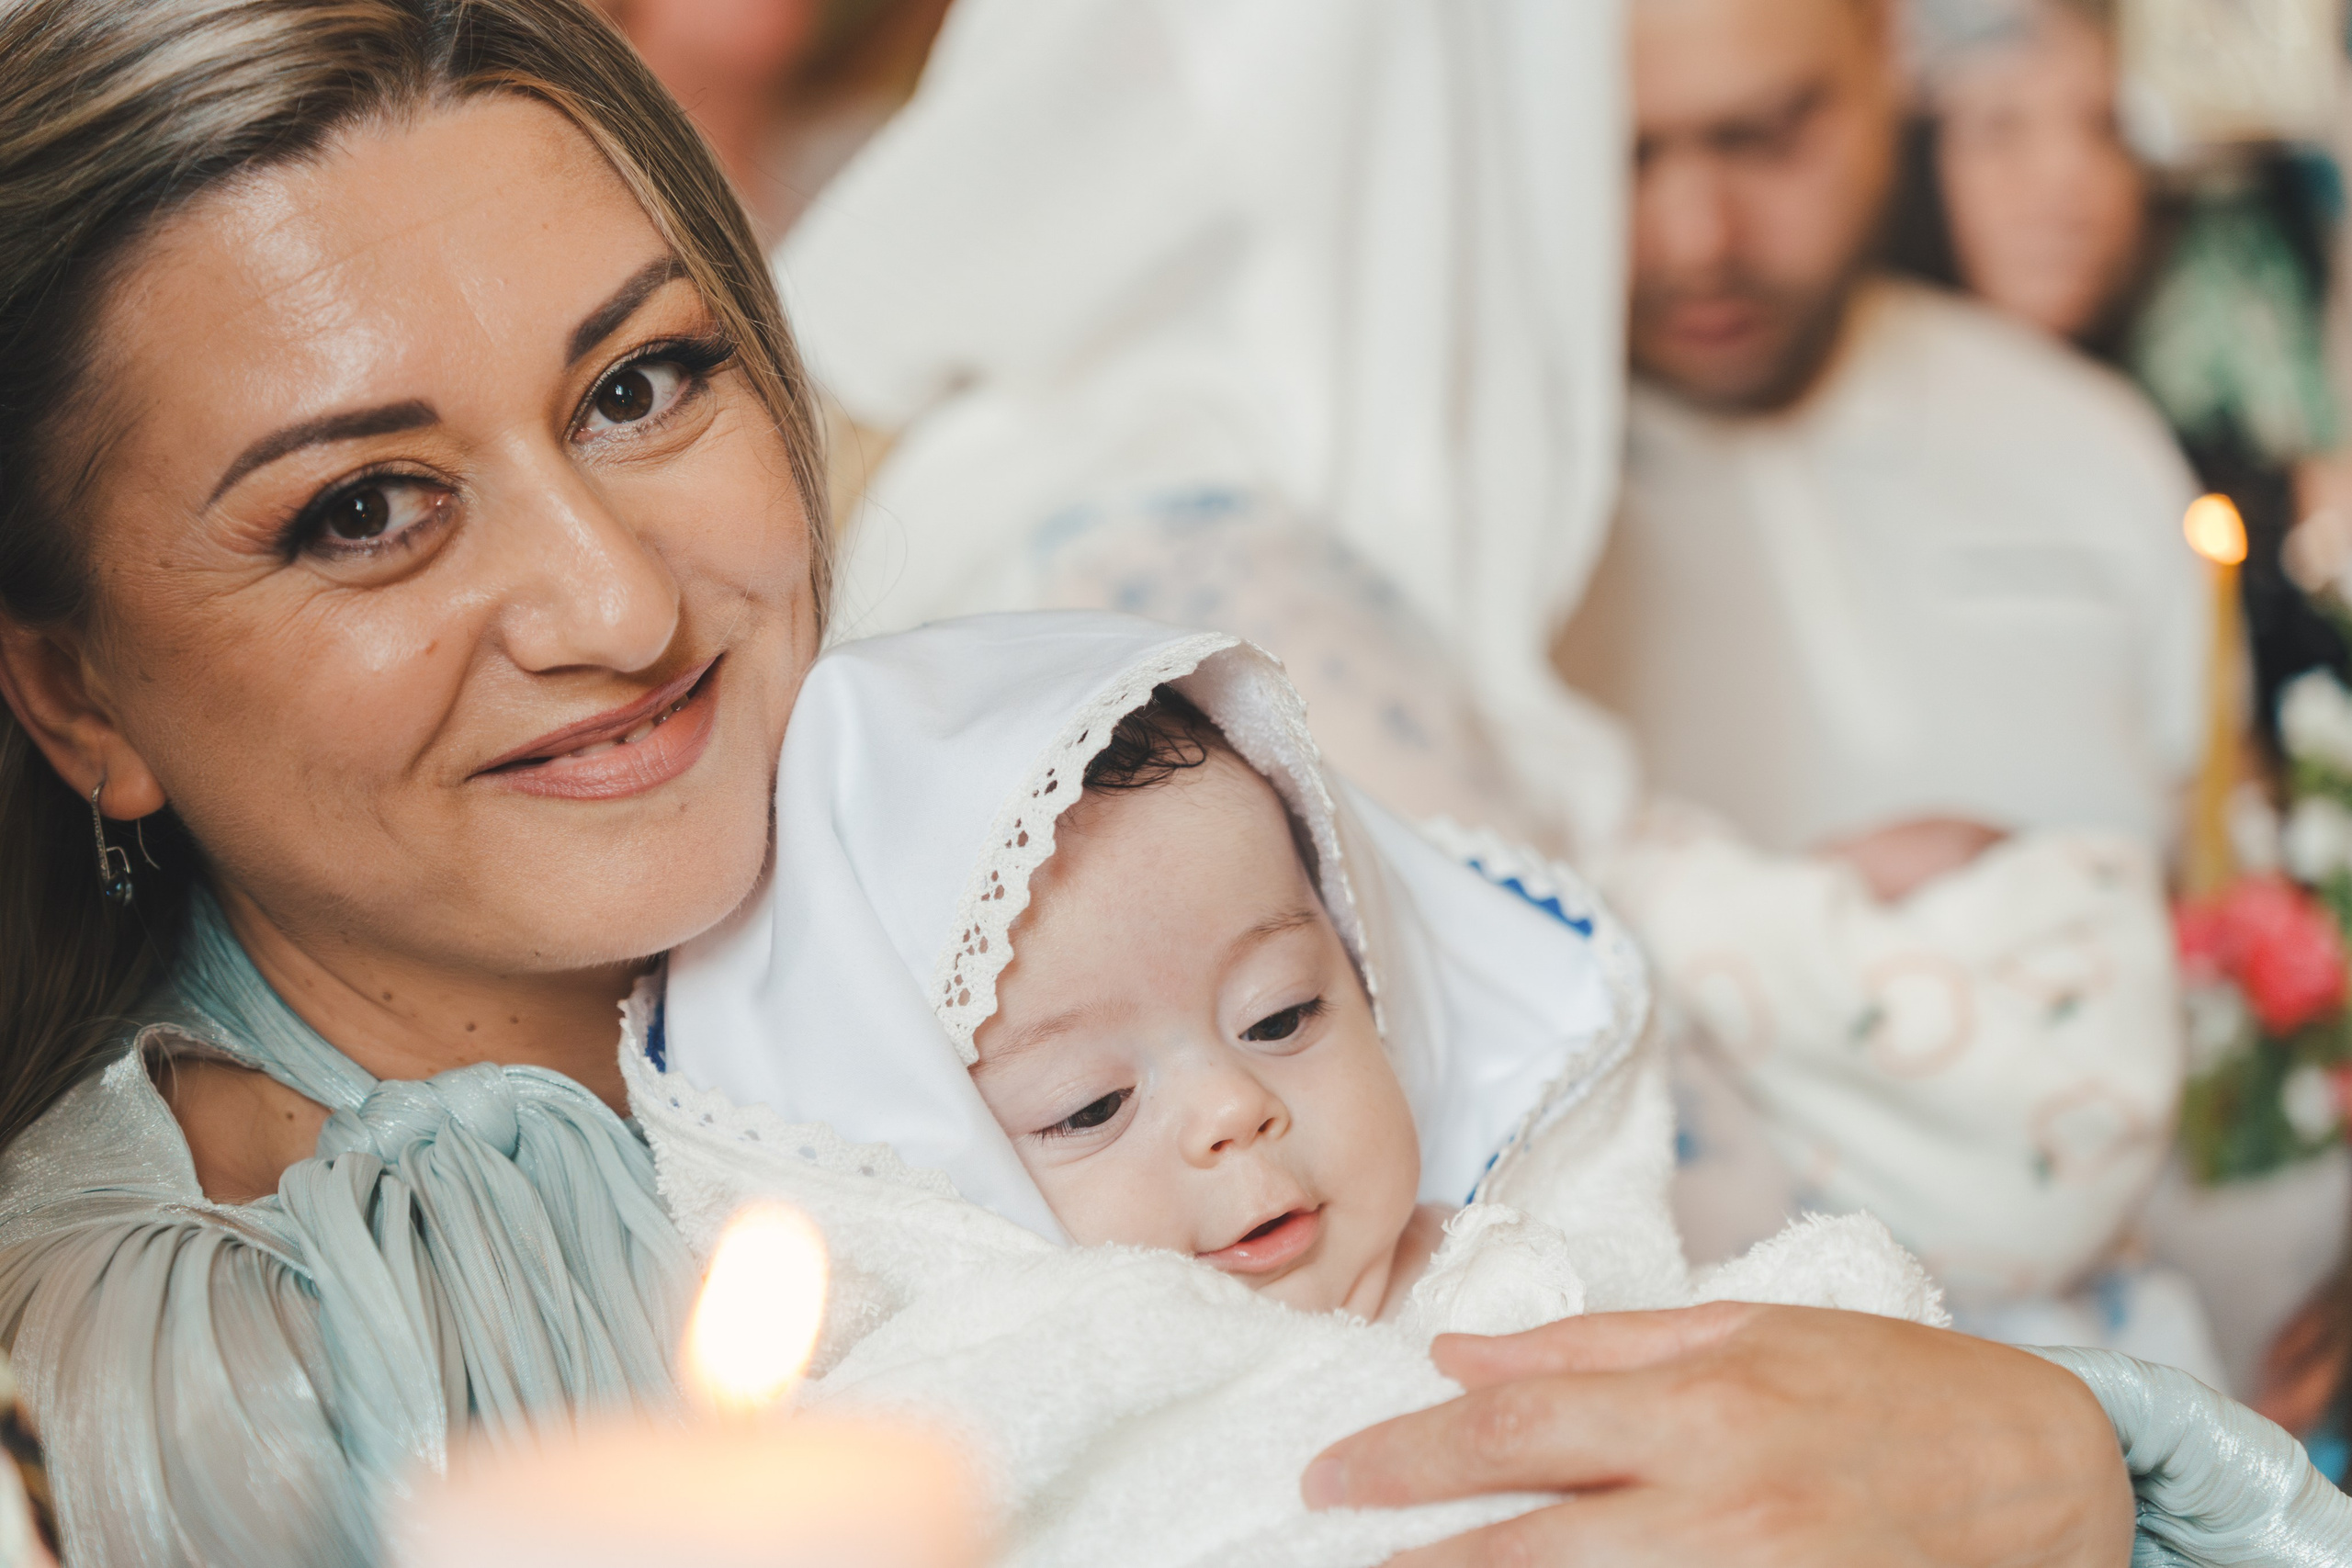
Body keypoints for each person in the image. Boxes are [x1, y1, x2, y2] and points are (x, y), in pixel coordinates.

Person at [0, 1, 2330, 1565]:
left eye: (639, 387)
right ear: (73, 688)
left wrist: (2053, 1459)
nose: (617, 601)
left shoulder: (1030, 824)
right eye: (359, 509)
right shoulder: (261, 1339)